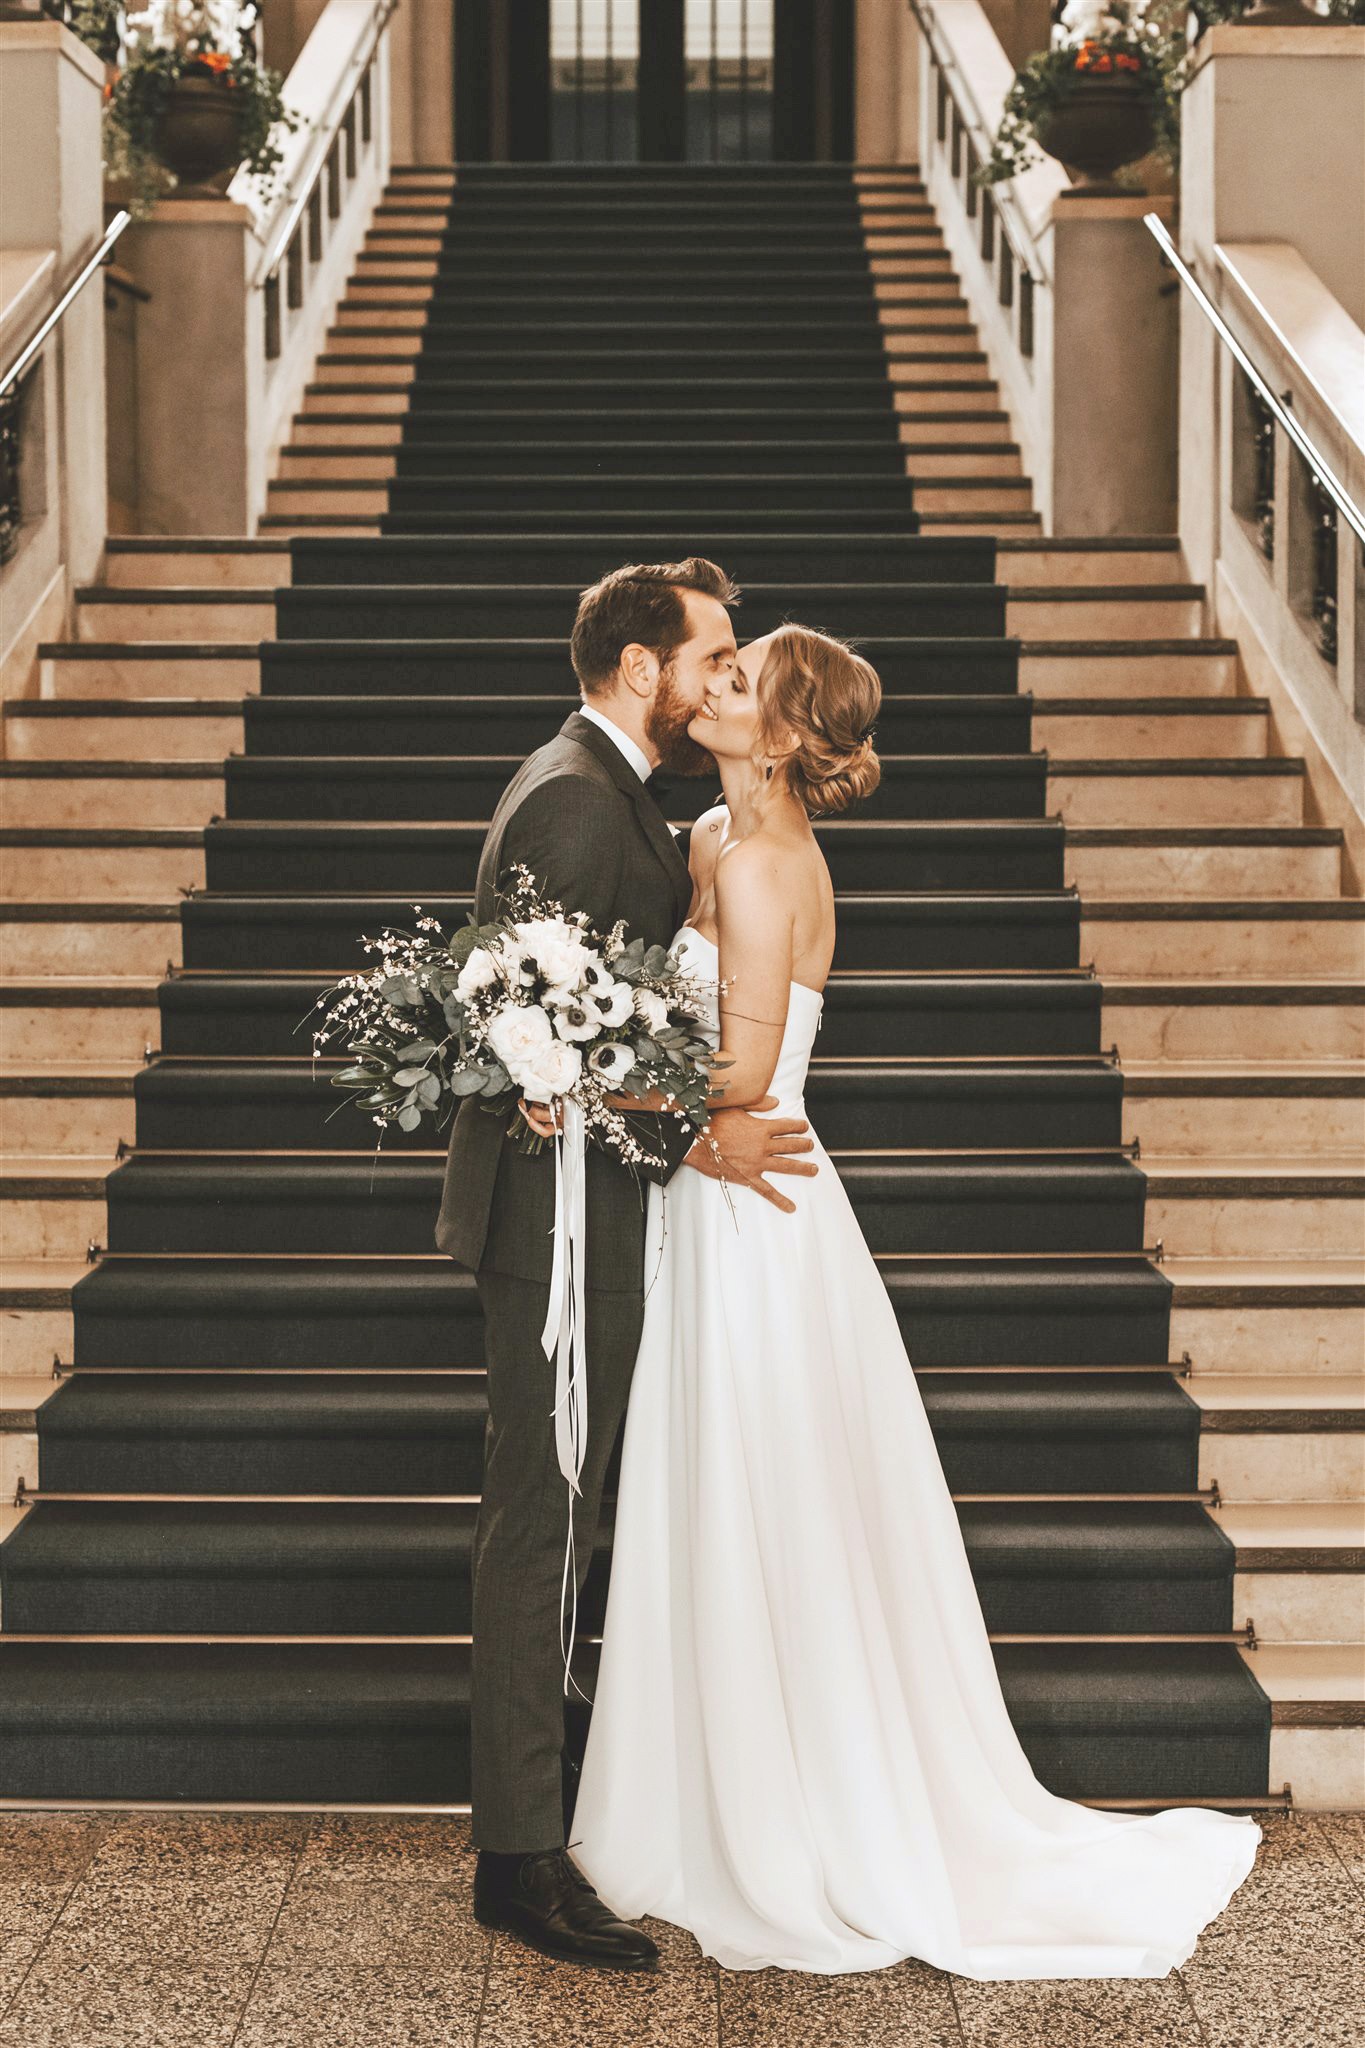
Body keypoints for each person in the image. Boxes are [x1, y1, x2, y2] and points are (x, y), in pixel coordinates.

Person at [568, 622, 1261, 1979]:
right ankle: (682, 1791)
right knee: (698, 1477)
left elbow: (744, 1073)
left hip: (761, 1209)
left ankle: (800, 1818)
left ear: (775, 731)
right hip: (702, 1202)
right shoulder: (708, 834)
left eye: (737, 679)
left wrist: (578, 1064)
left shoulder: (769, 867)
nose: (711, 684)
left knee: (769, 1484)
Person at [434, 560, 818, 1972]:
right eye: (708, 653)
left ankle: (566, 1809)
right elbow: (537, 1037)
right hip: (553, 1216)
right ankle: (518, 1859)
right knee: (538, 1528)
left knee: (566, 1518)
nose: (722, 674)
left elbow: (587, 1016)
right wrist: (691, 1139)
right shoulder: (581, 799)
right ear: (638, 665)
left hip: (590, 1204)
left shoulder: (611, 790)